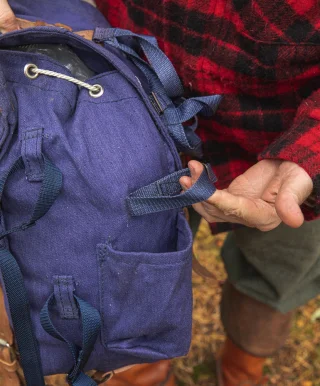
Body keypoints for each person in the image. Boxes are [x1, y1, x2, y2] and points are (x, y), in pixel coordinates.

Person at [1, 0, 320, 385]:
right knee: (125, 257)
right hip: (124, 105)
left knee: (277, 273)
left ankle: (243, 365)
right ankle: (139, 367)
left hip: (288, 139)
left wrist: (309, 154)